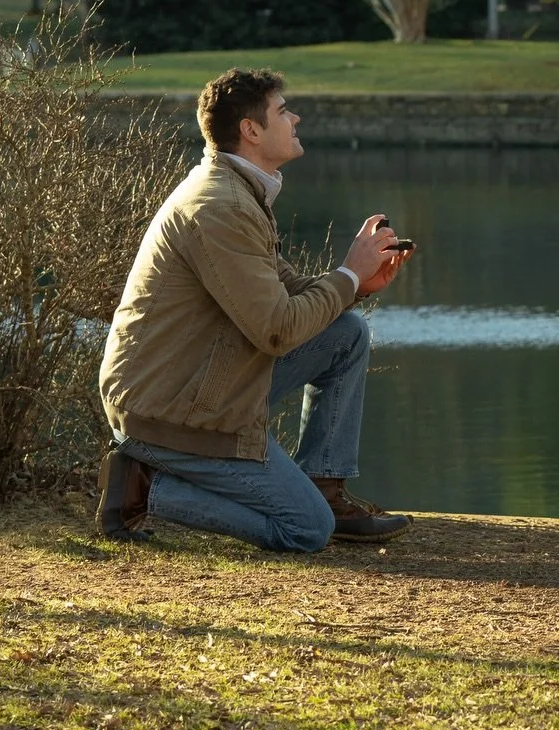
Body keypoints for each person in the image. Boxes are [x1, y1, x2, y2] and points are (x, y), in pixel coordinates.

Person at [95, 67, 413, 550]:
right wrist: (346, 274)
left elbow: (283, 294)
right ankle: (144, 486)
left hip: (198, 382)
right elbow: (278, 329)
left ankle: (324, 487)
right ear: (251, 130)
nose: (296, 118)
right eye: (283, 111)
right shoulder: (220, 206)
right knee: (305, 530)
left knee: (344, 332)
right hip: (167, 410)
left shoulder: (239, 192)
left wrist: (357, 285)